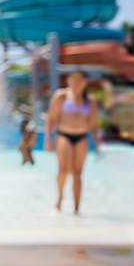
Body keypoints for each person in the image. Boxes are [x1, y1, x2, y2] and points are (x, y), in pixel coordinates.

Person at [46, 71, 101, 214]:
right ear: (69, 81)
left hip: (81, 136)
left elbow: (93, 124)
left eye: (80, 80)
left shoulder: (90, 100)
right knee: (63, 170)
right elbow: (51, 118)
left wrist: (97, 144)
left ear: (85, 82)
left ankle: (77, 208)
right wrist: (47, 139)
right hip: (64, 135)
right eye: (74, 79)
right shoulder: (61, 96)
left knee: (77, 173)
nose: (77, 83)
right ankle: (59, 199)